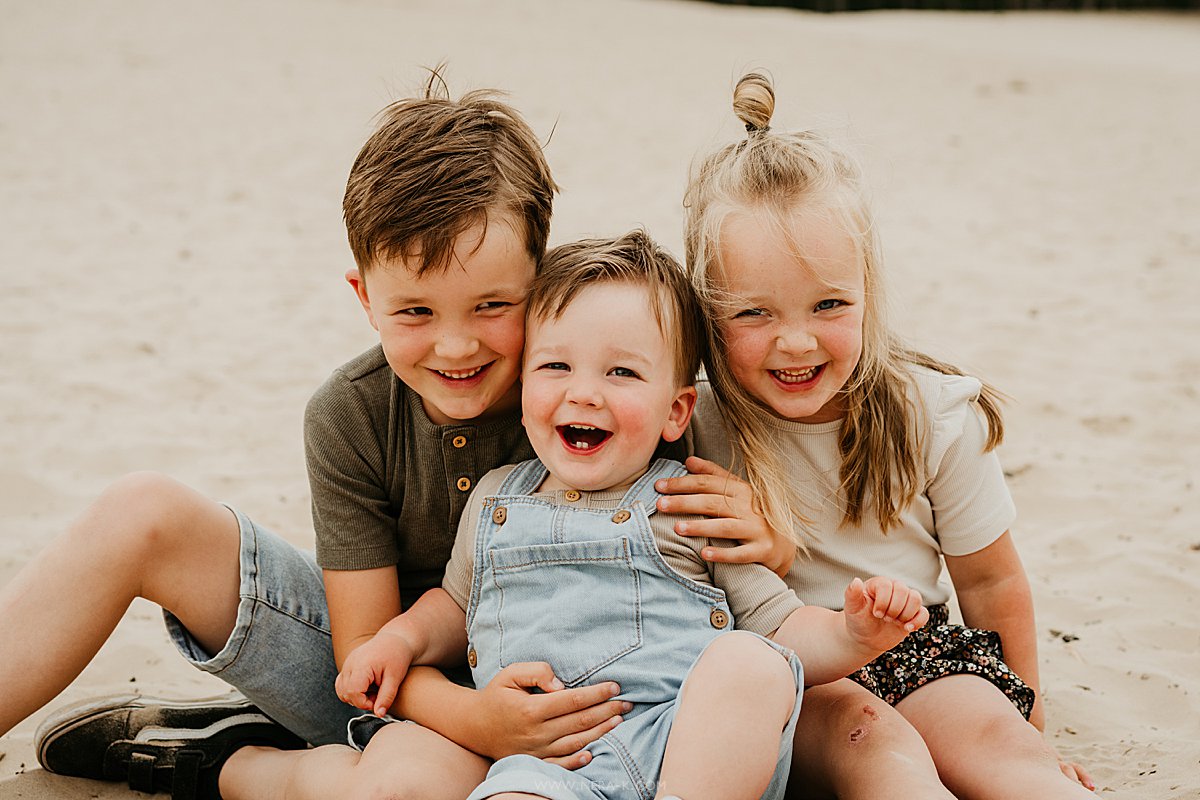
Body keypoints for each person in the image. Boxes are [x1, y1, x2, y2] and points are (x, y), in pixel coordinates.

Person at [5, 72, 634, 800]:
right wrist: (473, 718)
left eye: (494, 304)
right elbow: (363, 650)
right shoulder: (350, 412)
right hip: (376, 683)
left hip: (562, 704)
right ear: (365, 297)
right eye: (416, 312)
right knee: (141, 512)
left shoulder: (595, 396)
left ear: (543, 278)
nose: (456, 347)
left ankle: (225, 762)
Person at [335, 230, 930, 800]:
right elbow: (456, 605)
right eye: (555, 367)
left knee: (752, 661)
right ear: (522, 392)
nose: (584, 393)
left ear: (676, 412)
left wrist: (852, 634)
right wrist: (400, 639)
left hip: (691, 752)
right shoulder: (495, 501)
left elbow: (780, 626)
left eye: (621, 372)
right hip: (550, 767)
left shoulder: (687, 502)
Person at [654, 71, 1097, 799]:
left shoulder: (932, 414)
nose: (795, 344)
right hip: (782, 673)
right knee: (871, 741)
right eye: (754, 314)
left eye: (828, 304)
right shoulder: (689, 424)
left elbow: (991, 581)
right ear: (707, 311)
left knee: (996, 747)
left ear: (869, 290)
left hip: (912, 649)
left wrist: (1033, 732)